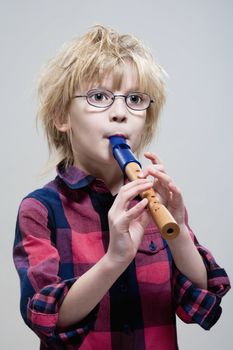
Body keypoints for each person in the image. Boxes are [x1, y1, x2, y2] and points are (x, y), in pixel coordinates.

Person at [13, 25, 230, 350]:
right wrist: (114, 259)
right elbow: (46, 316)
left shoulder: (154, 200)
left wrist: (180, 230)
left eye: (135, 99)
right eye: (99, 97)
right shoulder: (40, 209)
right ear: (62, 116)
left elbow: (200, 298)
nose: (120, 114)